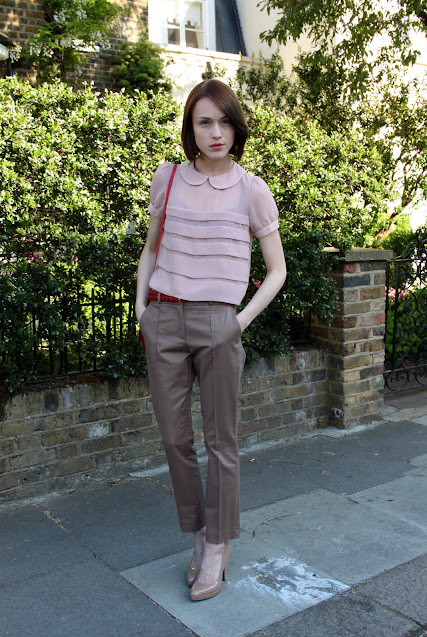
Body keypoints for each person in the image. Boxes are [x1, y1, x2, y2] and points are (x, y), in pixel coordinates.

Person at [135, 79, 287, 601]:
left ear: (236, 127)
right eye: (204, 122)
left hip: (219, 323)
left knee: (222, 440)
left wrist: (237, 322)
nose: (216, 132)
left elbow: (277, 270)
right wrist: (142, 310)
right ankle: (198, 535)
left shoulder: (252, 190)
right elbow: (151, 249)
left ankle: (219, 545)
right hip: (164, 318)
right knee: (175, 438)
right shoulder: (168, 179)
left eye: (224, 122)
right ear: (191, 129)